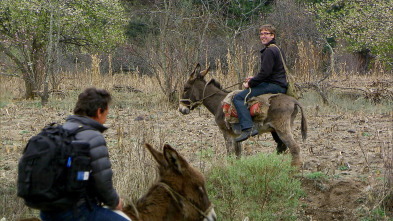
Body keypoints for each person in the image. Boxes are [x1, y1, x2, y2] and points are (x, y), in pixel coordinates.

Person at [40, 87, 129, 221]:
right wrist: (115, 202)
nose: (106, 117)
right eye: (107, 113)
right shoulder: (93, 137)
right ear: (99, 112)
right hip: (75, 212)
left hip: (47, 212)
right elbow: (102, 181)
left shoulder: (60, 131)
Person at [234, 24, 288, 142]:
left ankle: (248, 128)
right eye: (261, 34)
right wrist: (254, 78)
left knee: (238, 98)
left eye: (266, 34)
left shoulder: (269, 51)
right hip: (279, 84)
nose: (263, 36)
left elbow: (265, 74)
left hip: (274, 86)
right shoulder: (277, 48)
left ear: (272, 36)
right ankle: (280, 141)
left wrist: (251, 83)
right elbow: (270, 72)